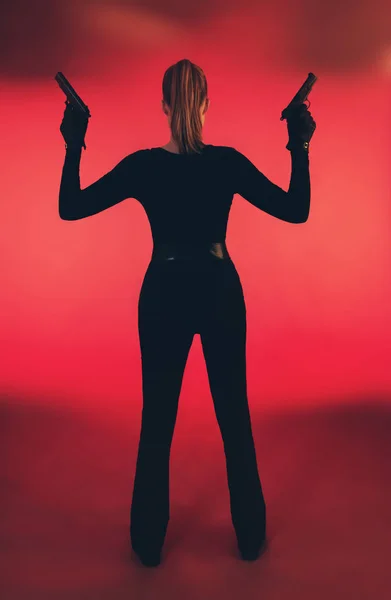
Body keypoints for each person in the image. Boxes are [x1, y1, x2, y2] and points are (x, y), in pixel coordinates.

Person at [59, 58, 316, 568]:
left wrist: (74, 139)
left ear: (164, 107)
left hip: (164, 292)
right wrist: (300, 142)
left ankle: (148, 545)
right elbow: (296, 209)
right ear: (204, 106)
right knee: (233, 416)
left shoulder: (143, 165)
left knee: (157, 419)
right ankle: (249, 541)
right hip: (220, 289)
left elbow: (72, 206)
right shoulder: (227, 163)